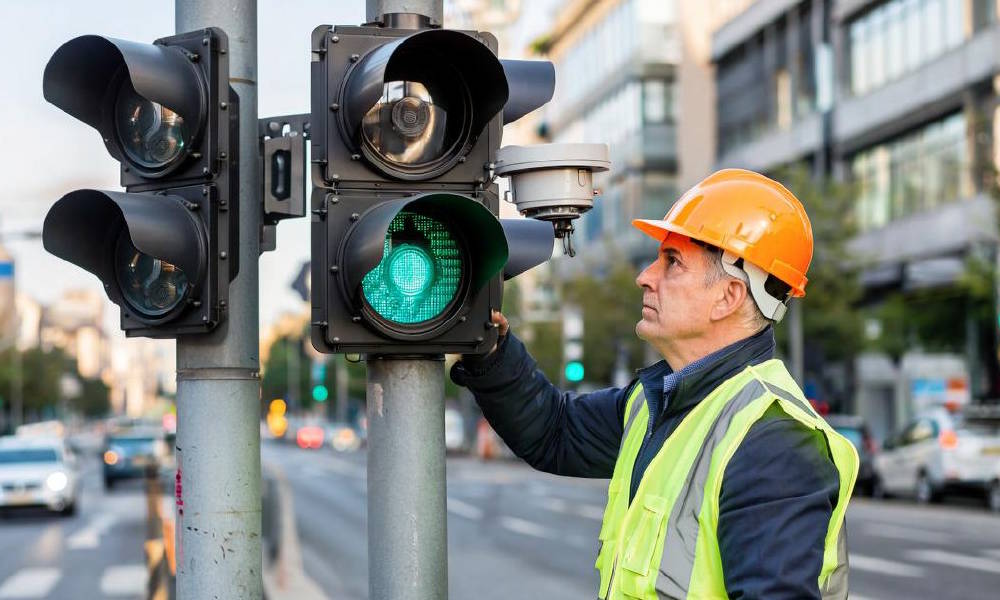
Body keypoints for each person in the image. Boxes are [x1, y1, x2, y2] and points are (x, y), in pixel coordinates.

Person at [451, 169, 859, 599]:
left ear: (729, 297)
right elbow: (553, 431)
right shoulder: (658, 401)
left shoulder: (773, 441)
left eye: (672, 262)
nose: (645, 277)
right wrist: (489, 348)